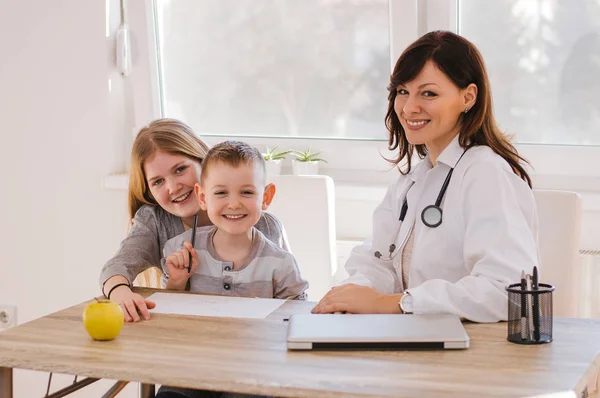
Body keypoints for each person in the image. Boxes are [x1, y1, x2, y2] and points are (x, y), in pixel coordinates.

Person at [312, 30, 539, 322]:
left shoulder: (486, 173)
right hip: (414, 337)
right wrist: (352, 295)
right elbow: (377, 261)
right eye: (403, 91)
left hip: (472, 350)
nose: (409, 107)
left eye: (428, 93)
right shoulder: (415, 179)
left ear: (468, 97)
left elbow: (508, 291)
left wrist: (393, 304)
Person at [99, 119, 291, 322]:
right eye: (158, 181)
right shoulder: (155, 221)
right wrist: (122, 294)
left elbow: (288, 293)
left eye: (180, 169)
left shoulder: (264, 225)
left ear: (203, 163)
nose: (173, 187)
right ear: (149, 190)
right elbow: (116, 266)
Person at [161, 140, 308, 299]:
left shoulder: (282, 264)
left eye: (246, 192)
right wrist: (177, 282)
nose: (234, 204)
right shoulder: (179, 249)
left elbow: (296, 315)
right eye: (221, 193)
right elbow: (171, 311)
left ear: (266, 197)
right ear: (202, 197)